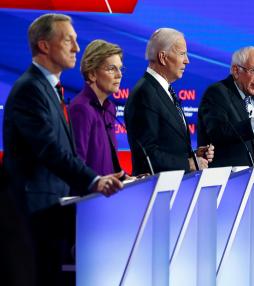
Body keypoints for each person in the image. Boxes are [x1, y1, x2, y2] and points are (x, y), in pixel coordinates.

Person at [2, 14, 123, 285]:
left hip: (53, 210)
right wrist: (93, 180)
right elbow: (50, 149)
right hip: (32, 212)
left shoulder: (51, 88)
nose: (76, 48)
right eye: (68, 40)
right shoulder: (29, 89)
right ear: (44, 46)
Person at [124, 28, 213, 175]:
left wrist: (194, 155)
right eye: (182, 54)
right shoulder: (145, 93)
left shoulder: (162, 89)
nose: (187, 60)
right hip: (154, 190)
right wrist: (188, 163)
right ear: (163, 57)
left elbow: (167, 145)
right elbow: (147, 154)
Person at [197, 46, 254, 167]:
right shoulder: (217, 93)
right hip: (225, 178)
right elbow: (218, 134)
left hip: (250, 179)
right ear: (236, 71)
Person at [69, 39, 126, 178]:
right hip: (89, 196)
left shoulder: (109, 108)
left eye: (120, 68)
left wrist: (124, 178)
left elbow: (108, 162)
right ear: (92, 74)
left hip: (107, 194)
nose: (119, 74)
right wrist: (99, 182)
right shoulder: (81, 109)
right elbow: (76, 166)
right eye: (112, 69)